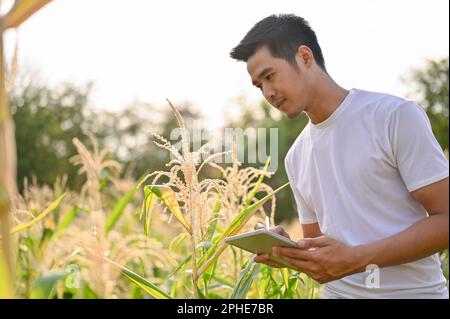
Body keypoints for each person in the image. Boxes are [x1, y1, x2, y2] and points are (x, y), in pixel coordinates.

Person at [230, 14, 449, 298]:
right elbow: (324, 252)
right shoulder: (296, 155)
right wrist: (290, 253)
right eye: (259, 86)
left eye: (270, 76)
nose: (268, 93)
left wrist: (358, 258)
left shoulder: (393, 116)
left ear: (305, 57)